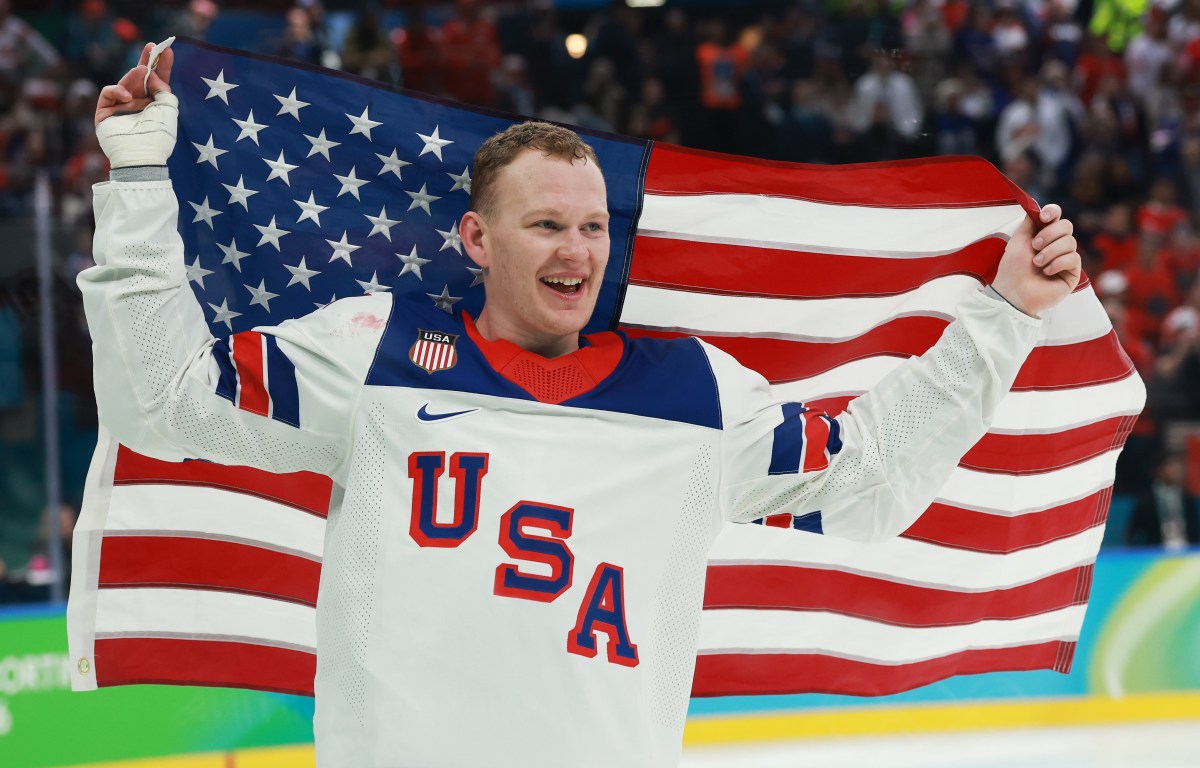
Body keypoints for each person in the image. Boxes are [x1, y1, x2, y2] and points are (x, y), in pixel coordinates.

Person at [82, 45, 1081, 767]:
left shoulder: (693, 396)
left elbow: (870, 477)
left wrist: (1006, 316)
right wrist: (134, 176)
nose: (577, 251)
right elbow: (164, 403)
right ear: (477, 240)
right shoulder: (375, 353)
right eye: (547, 224)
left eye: (594, 227)